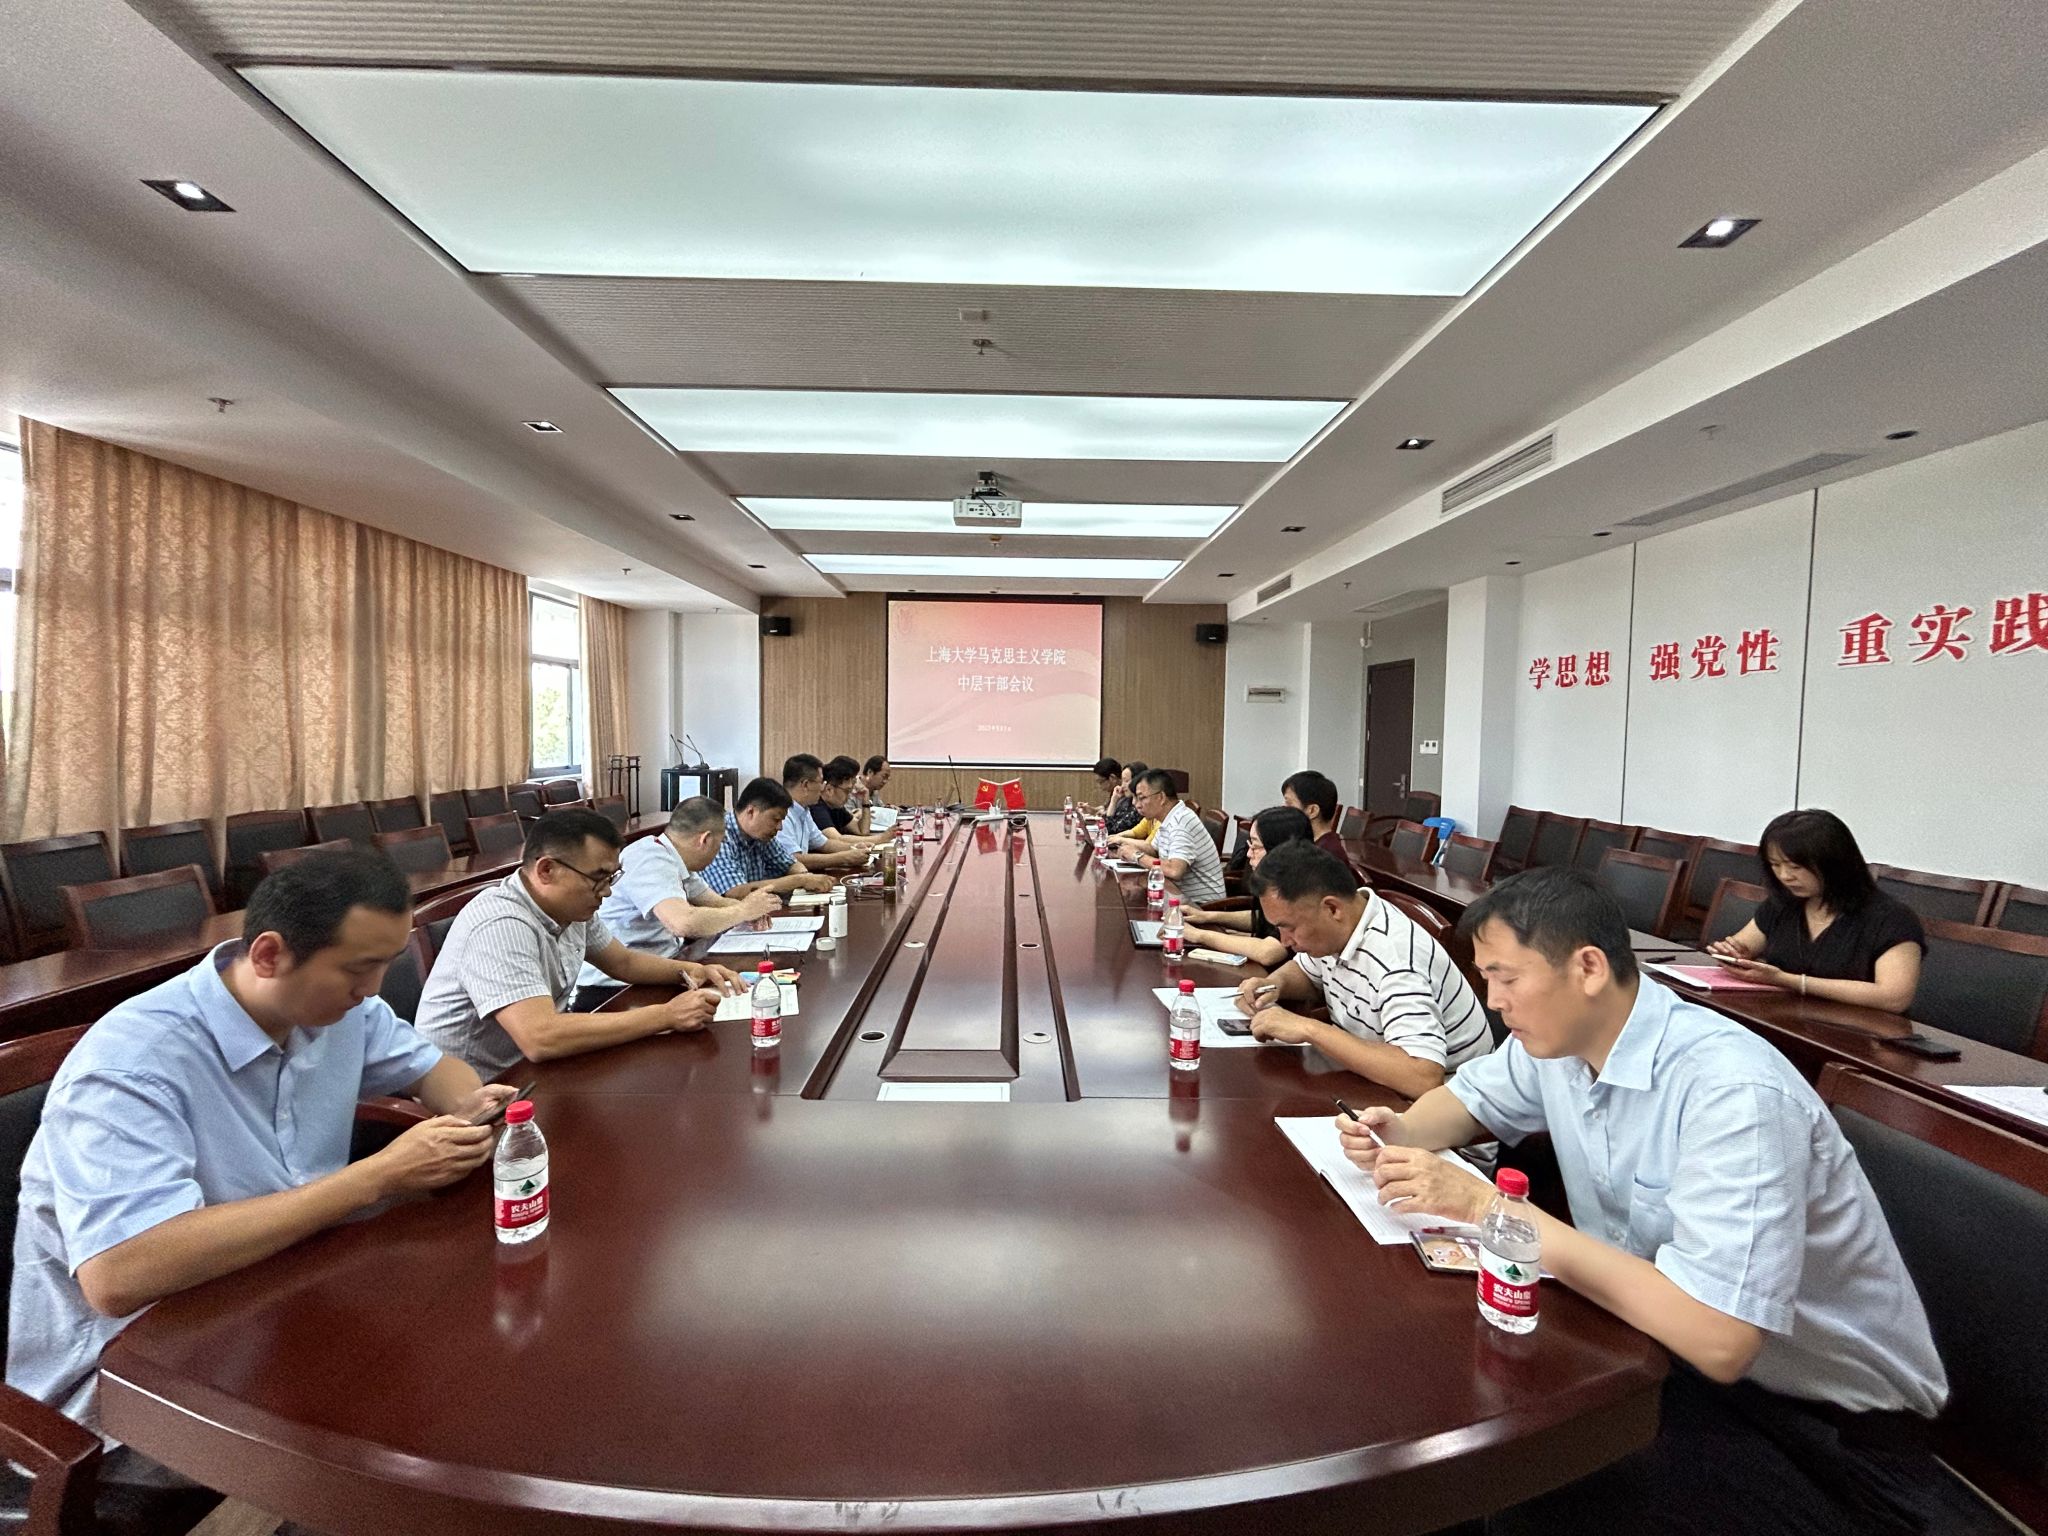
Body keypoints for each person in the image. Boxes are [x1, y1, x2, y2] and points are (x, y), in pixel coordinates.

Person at [1337, 867, 1995, 1536]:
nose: (1493, 1000)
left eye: (1505, 978)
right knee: (1468, 1423)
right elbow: (1468, 1100)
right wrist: (1399, 1130)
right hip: (1663, 1355)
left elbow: (1721, 1339)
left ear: (1588, 968)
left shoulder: (1733, 1093)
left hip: (1824, 1436)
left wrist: (1494, 1212)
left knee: (1520, 1481)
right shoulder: (1560, 1040)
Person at [9, 851, 515, 1433]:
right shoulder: (132, 1065)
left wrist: (468, 1110)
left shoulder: (338, 1009)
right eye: (358, 969)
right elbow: (120, 1274)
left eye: (385, 964)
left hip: (283, 1295)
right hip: (133, 1381)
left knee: (469, 1358)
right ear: (269, 955)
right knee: (424, 1412)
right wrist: (376, 1176)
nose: (372, 990)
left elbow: (434, 1069)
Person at [415, 809, 741, 1078]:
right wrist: (667, 1016)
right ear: (547, 870)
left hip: (533, 1072)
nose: (608, 891)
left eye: (611, 878)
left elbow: (623, 962)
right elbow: (540, 1037)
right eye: (598, 878)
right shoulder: (501, 923)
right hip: (475, 1095)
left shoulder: (571, 909)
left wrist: (692, 969)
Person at [1236, 842, 1491, 1096]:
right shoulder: (1341, 927)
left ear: (1332, 908)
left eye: (1289, 927)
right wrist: (1274, 985)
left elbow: (1423, 1077)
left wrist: (1308, 1029)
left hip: (1448, 1101)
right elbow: (1307, 973)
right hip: (1371, 1081)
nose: (1284, 941)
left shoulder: (1396, 959)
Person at [1705, 808, 1923, 1013]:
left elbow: (1894, 998)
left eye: (1795, 867)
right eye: (1775, 865)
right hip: (1785, 1017)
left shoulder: (1891, 918)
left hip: (1860, 1030)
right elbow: (1742, 947)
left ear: (1834, 863)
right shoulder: (1783, 903)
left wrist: (1786, 980)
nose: (1784, 876)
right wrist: (1733, 956)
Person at [572, 796, 782, 1004]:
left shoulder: (674, 857)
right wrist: (743, 911)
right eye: (720, 844)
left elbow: (714, 901)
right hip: (615, 989)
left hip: (662, 968)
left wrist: (749, 911)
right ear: (705, 840)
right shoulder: (650, 858)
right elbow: (684, 923)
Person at [1181, 805, 1317, 966]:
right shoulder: (1277, 880)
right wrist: (1208, 916)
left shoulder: (1304, 889)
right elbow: (1264, 919)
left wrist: (1199, 935)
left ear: (1279, 848)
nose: (1248, 853)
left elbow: (1269, 952)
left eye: (1256, 846)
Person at [701, 777, 840, 901]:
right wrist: (801, 880)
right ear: (751, 811)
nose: (779, 827)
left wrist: (808, 878)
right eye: (776, 819)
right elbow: (735, 892)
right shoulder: (719, 835)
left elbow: (789, 863)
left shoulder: (762, 837)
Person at [1110, 769, 1226, 906]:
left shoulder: (1181, 822)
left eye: (1142, 798)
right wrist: (1127, 848)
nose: (1136, 804)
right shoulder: (1169, 818)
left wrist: (1137, 856)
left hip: (1202, 907)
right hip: (1176, 895)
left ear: (1161, 797)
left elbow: (1175, 870)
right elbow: (1153, 849)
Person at [776, 754, 877, 872]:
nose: (823, 787)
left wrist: (854, 848)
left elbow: (824, 843)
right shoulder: (781, 813)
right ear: (805, 785)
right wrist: (843, 858)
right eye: (821, 782)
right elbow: (792, 859)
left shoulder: (804, 810)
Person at [1280, 769, 1362, 881]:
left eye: (1289, 803)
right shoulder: (1313, 844)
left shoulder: (1325, 856)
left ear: (1312, 811)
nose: (1283, 808)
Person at [1104, 760, 1150, 836]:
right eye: (1122, 781)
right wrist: (1114, 801)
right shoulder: (1125, 801)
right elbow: (1106, 827)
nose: (1122, 786)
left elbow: (1112, 830)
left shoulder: (1141, 807)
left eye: (1126, 781)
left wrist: (1113, 802)